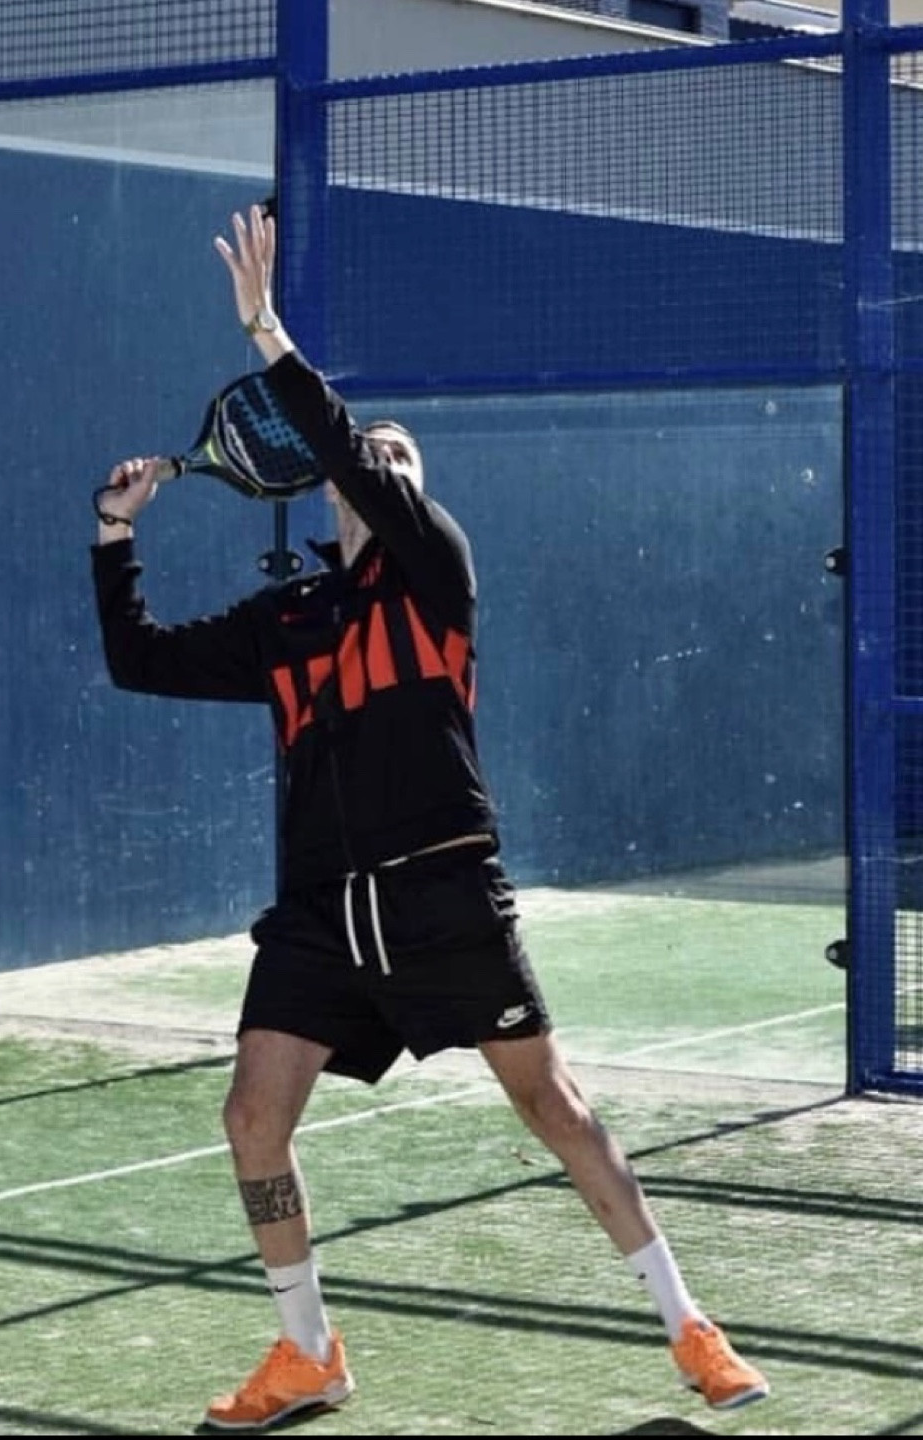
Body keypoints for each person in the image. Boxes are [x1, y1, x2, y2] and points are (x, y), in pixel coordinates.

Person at [92, 204, 769, 1432]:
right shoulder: (286, 622)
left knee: (554, 1106)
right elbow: (138, 659)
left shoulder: (437, 570)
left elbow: (346, 445)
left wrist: (268, 332)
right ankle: (308, 1352)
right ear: (326, 493)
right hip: (320, 915)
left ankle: (690, 1325)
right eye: (373, 457)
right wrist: (114, 535)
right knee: (251, 1118)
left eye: (401, 460)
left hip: (444, 892)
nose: (386, 466)